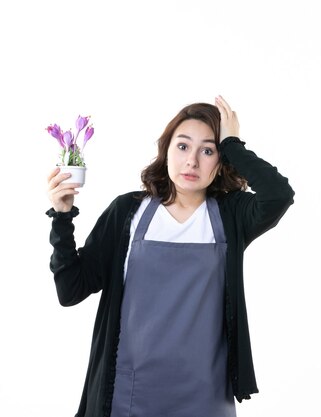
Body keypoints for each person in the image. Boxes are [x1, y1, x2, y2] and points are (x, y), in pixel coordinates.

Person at [46, 96, 295, 417]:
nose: (192, 160)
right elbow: (70, 290)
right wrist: (62, 216)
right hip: (128, 396)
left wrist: (233, 143)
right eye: (182, 146)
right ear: (165, 151)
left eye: (208, 150)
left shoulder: (231, 215)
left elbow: (279, 195)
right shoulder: (127, 212)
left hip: (205, 396)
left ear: (220, 161)